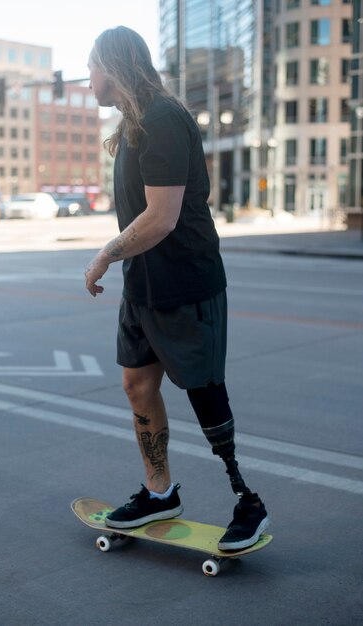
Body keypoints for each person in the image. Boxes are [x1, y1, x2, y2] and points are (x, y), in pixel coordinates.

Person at [85, 26, 270, 549]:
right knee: (137, 386)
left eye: (93, 65)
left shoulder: (163, 120)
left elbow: (162, 218)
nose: (88, 77)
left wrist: (102, 255)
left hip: (185, 282)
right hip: (143, 285)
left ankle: (248, 502)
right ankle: (159, 493)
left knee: (205, 392)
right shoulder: (133, 124)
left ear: (115, 67)